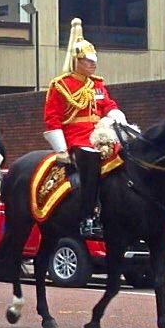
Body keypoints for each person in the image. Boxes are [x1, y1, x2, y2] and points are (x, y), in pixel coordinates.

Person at [42, 18, 129, 238]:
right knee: (90, 161)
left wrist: (116, 115)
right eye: (88, 61)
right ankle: (87, 216)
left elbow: (108, 104)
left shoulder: (97, 84)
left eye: (94, 61)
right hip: (76, 137)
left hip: (100, 132)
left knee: (125, 153)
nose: (93, 64)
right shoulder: (61, 85)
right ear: (77, 61)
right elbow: (52, 118)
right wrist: (61, 149)